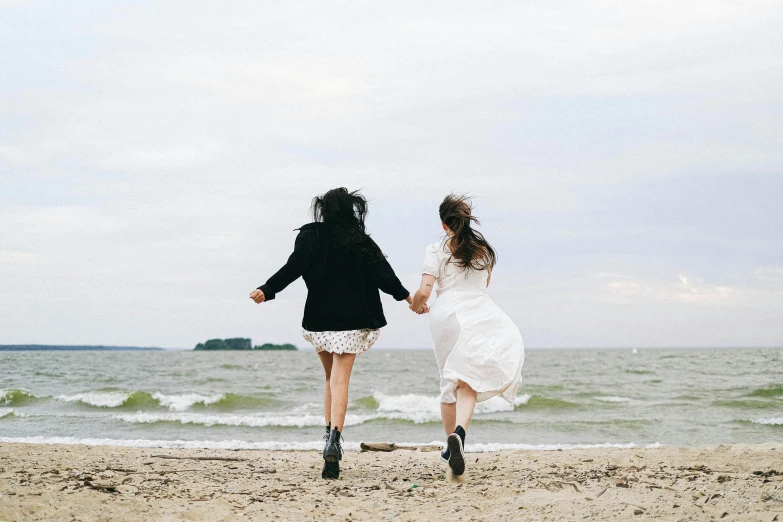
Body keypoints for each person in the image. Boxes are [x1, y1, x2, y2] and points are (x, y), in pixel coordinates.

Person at [250, 187, 427, 479]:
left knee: (330, 378)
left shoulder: (310, 237)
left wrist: (267, 290)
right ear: (350, 211)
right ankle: (334, 439)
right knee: (340, 380)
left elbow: (292, 268)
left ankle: (328, 438)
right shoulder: (361, 241)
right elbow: (385, 275)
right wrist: (409, 299)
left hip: (320, 320)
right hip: (354, 321)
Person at [409, 194, 525, 476]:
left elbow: (425, 291)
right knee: (469, 378)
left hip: (447, 314)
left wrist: (415, 304)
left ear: (444, 223)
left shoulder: (436, 248)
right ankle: (458, 436)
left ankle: (452, 445)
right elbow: (483, 283)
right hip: (481, 313)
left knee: (449, 380)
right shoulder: (484, 250)